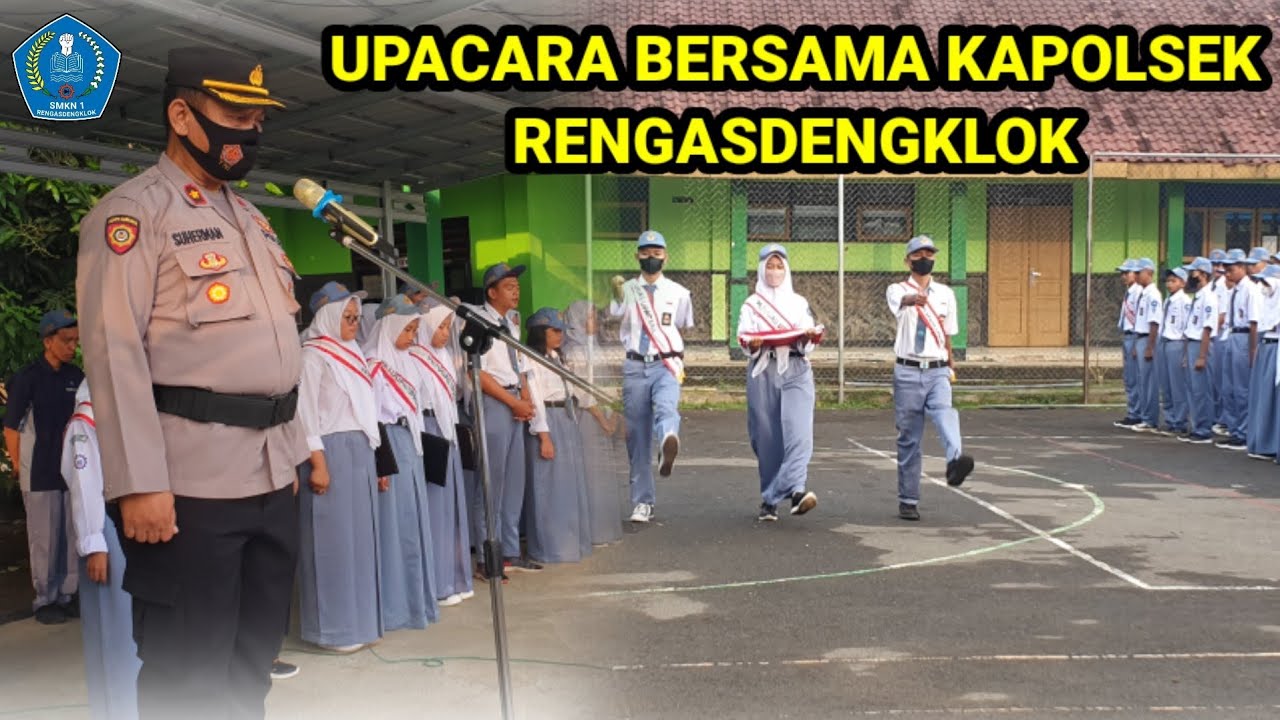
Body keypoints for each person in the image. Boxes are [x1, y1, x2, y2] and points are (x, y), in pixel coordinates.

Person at [75, 48, 307, 719]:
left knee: (250, 666)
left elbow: (277, 352)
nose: (252, 130)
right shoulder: (131, 216)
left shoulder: (253, 220)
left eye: (259, 116)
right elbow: (114, 357)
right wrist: (139, 484)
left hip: (269, 478)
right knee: (190, 675)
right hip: (188, 491)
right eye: (237, 113)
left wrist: (289, 453)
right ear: (181, 115)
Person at [296, 283, 383, 654]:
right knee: (331, 541)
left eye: (356, 317)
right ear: (327, 316)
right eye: (347, 316)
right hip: (328, 451)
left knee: (359, 542)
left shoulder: (353, 353)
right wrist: (318, 462)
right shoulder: (312, 356)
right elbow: (304, 414)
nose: (353, 321)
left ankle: (359, 621)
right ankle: (332, 629)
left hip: (359, 450)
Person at [61, 379, 141, 720]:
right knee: (115, 628)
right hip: (105, 530)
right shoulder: (88, 418)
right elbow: (84, 484)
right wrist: (94, 544)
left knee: (132, 627)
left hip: (127, 522)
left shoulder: (121, 412)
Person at [885, 235, 975, 521]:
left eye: (929, 253)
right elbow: (901, 302)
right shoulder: (896, 289)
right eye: (918, 254)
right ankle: (908, 499)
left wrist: (951, 363)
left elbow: (947, 333)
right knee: (909, 437)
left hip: (936, 368)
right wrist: (914, 299)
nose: (924, 258)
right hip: (908, 370)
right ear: (908, 260)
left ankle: (955, 461)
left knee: (945, 412)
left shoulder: (946, 294)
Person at [2, 309, 82, 625]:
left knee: (71, 537)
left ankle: (69, 594)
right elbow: (12, 428)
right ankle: (45, 600)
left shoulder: (76, 377)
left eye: (75, 341)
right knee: (44, 539)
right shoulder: (27, 379)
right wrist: (19, 466)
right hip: (38, 472)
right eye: (66, 340)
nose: (71, 347)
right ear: (48, 341)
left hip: (72, 471)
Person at [609, 230, 694, 524]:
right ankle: (642, 502)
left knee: (667, 408)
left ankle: (668, 439)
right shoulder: (626, 290)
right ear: (637, 256)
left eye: (657, 253)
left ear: (666, 256)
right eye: (645, 252)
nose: (651, 257)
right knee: (636, 435)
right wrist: (615, 294)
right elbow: (614, 316)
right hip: (634, 367)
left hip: (666, 364)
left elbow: (683, 325)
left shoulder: (680, 293)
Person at [366, 295, 440, 629]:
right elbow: (372, 419)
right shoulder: (371, 363)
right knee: (394, 526)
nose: (412, 336)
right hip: (388, 446)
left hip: (409, 442)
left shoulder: (407, 360)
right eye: (407, 329)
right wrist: (381, 464)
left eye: (414, 329)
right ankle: (394, 609)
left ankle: (416, 603)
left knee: (413, 524)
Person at [736, 244, 822, 522]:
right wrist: (754, 343)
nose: (775, 271)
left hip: (796, 367)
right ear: (761, 269)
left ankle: (795, 492)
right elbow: (743, 338)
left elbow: (807, 337)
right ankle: (769, 499)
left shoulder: (799, 302)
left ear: (787, 269)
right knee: (767, 437)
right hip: (763, 369)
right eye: (769, 266)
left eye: (779, 266)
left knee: (800, 433)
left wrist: (808, 338)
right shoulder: (751, 304)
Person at [466, 263, 542, 574]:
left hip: (514, 403)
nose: (516, 290)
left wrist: (525, 399)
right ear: (491, 291)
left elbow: (520, 366)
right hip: (495, 402)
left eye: (517, 285)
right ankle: (488, 555)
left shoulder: (509, 323)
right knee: (491, 482)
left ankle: (510, 549)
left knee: (513, 482)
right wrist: (513, 401)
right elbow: (477, 373)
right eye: (508, 285)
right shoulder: (477, 322)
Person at [410, 305, 475, 606]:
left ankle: (455, 577)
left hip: (447, 428)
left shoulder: (446, 356)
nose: (445, 333)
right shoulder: (413, 358)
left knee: (452, 507)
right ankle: (437, 582)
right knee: (435, 508)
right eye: (439, 326)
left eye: (448, 326)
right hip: (428, 429)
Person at [523, 308, 593, 563]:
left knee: (567, 485)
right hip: (547, 421)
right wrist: (544, 436)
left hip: (564, 417)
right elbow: (535, 398)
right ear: (541, 333)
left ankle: (570, 541)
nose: (560, 335)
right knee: (548, 486)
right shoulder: (530, 359)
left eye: (561, 330)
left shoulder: (556, 356)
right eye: (554, 330)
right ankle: (550, 546)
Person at [562, 301, 623, 546]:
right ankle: (590, 530)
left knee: (603, 474)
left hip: (604, 415)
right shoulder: (574, 351)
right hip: (587, 417)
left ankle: (603, 527)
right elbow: (582, 392)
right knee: (589, 474)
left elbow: (608, 384)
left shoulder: (594, 347)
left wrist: (615, 414)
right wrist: (603, 420)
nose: (595, 323)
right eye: (590, 318)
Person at [1217, 249, 1260, 451]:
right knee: (1228, 387)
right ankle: (1234, 429)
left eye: (1231, 269)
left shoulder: (1251, 289)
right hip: (1231, 335)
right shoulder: (1233, 290)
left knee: (1242, 388)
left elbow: (1253, 323)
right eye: (1225, 270)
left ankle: (1243, 432)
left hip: (1244, 336)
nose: (1227, 274)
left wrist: (1252, 350)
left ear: (1242, 268)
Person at [1180, 258, 1218, 445]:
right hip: (1193, 344)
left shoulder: (1209, 297)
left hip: (1202, 345)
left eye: (1193, 272)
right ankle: (1196, 426)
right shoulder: (1199, 295)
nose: (1190, 276)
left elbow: (1207, 329)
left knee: (1201, 390)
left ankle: (1203, 429)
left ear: (1202, 274)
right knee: (1193, 389)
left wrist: (1202, 356)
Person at [1246, 264, 1280, 460]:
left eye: (1266, 282)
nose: (1263, 287)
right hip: (1266, 346)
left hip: (1276, 349)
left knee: (1274, 398)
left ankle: (1272, 444)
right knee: (1263, 397)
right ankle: (1262, 442)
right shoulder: (1268, 302)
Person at [1156, 268, 1191, 437]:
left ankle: (1180, 421)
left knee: (1178, 385)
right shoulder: (1168, 300)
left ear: (1183, 283)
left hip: (1177, 344)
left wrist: (1185, 353)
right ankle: (1170, 419)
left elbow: (1186, 328)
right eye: (1168, 281)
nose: (1169, 284)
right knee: (1166, 384)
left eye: (1174, 281)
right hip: (1164, 342)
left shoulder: (1185, 302)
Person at [1129, 258, 1163, 433]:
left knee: (1149, 382)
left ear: (1149, 273)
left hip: (1148, 339)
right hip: (1140, 338)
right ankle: (1145, 416)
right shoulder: (1143, 294)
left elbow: (1154, 323)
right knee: (1143, 380)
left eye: (1139, 273)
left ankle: (1150, 419)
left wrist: (1150, 347)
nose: (1136, 276)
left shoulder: (1153, 294)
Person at [1113, 259, 1143, 428]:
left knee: (1135, 377)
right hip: (1128, 335)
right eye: (1121, 273)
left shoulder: (1139, 292)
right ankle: (1133, 411)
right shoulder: (1129, 291)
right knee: (1129, 377)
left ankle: (1136, 413)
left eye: (1126, 273)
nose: (1123, 276)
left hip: (1135, 336)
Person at [1208, 249, 1231, 436]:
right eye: (1214, 264)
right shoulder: (1212, 285)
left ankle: (1223, 419)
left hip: (1220, 336)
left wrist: (1209, 334)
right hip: (1214, 337)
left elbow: (1222, 316)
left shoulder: (1223, 285)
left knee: (1222, 381)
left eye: (1221, 265)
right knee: (1214, 381)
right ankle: (1216, 417)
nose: (1217, 268)